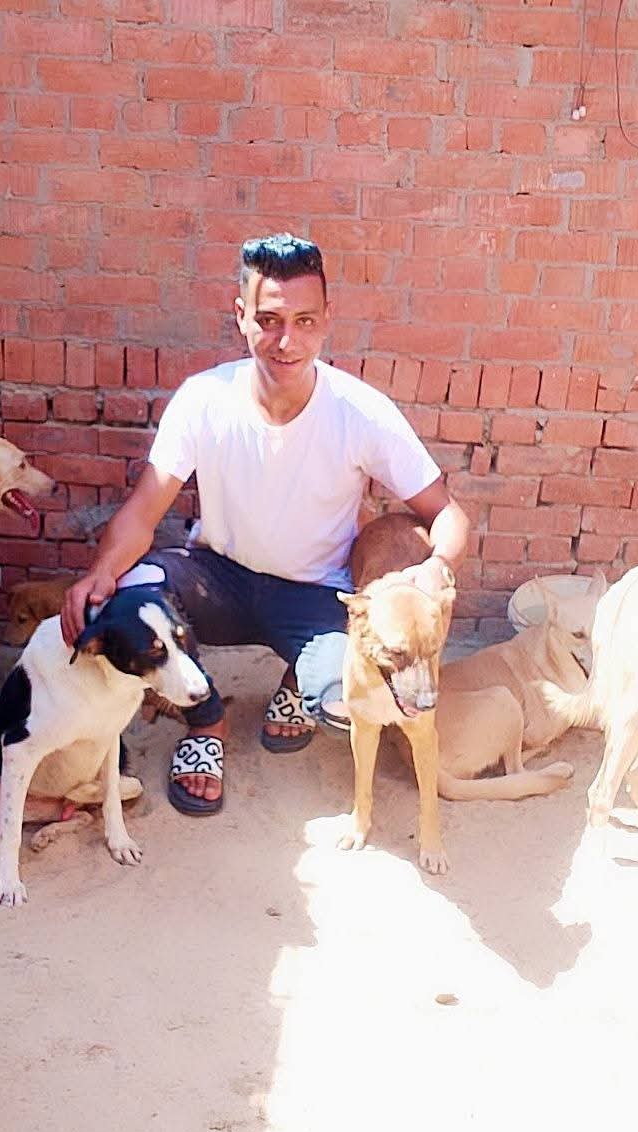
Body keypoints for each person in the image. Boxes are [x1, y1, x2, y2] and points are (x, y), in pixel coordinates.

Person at [61, 232, 469, 816]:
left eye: (305, 321)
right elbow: (143, 512)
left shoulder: (361, 412)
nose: (286, 341)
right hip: (218, 579)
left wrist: (436, 567)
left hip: (316, 594)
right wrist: (99, 572)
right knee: (127, 594)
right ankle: (206, 723)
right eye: (269, 320)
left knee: (341, 702)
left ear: (327, 320)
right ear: (241, 317)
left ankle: (298, 682)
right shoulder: (205, 398)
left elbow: (446, 514)